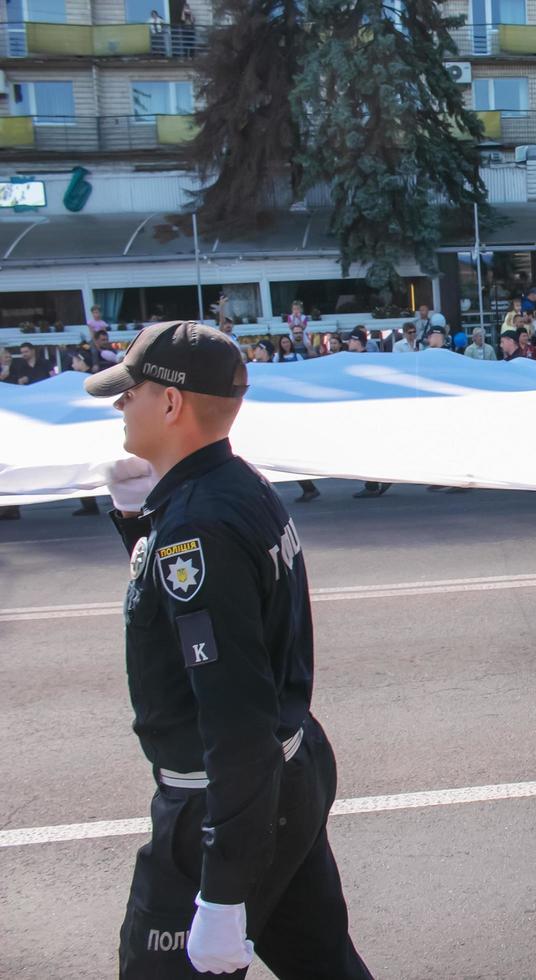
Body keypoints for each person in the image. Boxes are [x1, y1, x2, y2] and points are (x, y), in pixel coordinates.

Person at [84, 321, 373, 979]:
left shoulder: (197, 525)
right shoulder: (235, 487)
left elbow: (233, 713)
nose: (118, 403)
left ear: (172, 402)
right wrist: (140, 521)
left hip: (225, 799)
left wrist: (219, 890)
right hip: (285, 769)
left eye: (130, 389)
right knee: (321, 963)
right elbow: (207, 614)